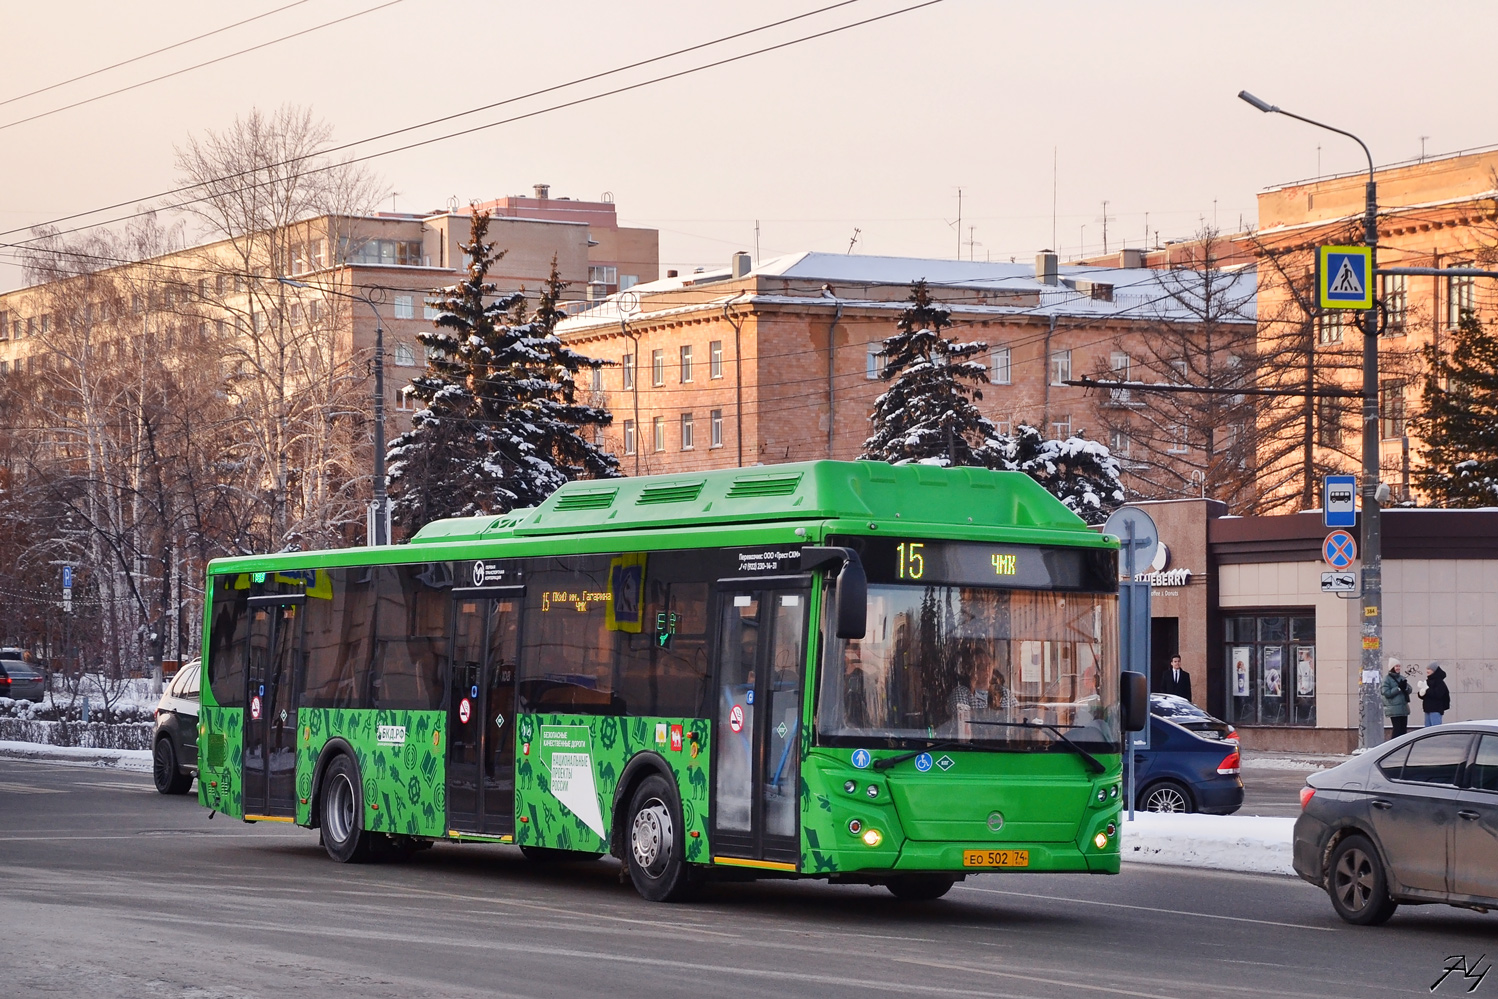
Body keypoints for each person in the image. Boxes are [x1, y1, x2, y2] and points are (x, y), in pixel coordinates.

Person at [1381, 658, 1412, 738]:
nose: (1398, 668)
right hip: (1394, 709)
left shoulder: (1401, 677)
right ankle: (1394, 747)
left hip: (1403, 708)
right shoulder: (1386, 679)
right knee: (1397, 730)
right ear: (1392, 667)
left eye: (1399, 666)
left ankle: (1403, 747)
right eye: (1396, 666)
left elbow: (1410, 689)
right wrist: (1398, 688)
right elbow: (1386, 693)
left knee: (1403, 730)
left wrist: (1405, 688)